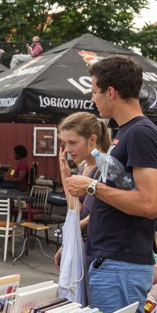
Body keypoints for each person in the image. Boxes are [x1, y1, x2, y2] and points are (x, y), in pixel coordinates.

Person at [64, 55, 157, 313]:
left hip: (122, 266)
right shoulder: (127, 132)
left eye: (95, 91)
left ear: (111, 92)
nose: (93, 99)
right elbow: (123, 196)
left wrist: (92, 187)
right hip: (112, 262)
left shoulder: (141, 132)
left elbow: (150, 204)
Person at [53, 111, 111, 270]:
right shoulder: (83, 166)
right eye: (65, 143)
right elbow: (76, 208)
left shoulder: (104, 169)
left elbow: (89, 215)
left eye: (72, 142)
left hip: (98, 255)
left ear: (92, 139)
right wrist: (65, 174)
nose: (68, 149)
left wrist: (69, 235)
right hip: (83, 248)